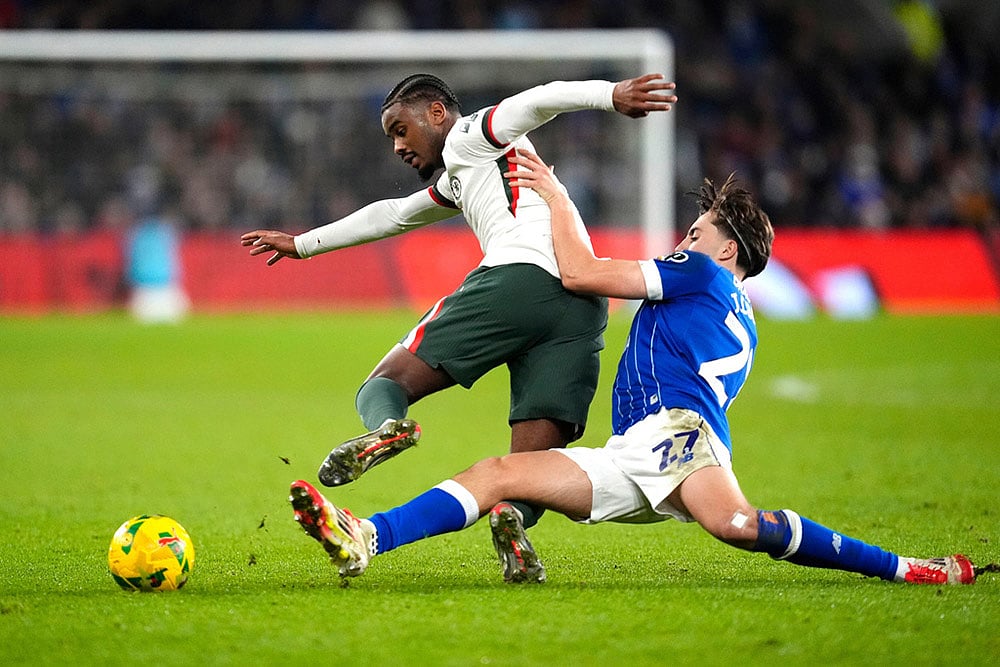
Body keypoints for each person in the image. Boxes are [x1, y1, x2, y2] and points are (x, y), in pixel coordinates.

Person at [285, 148, 978, 586]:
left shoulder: (699, 273)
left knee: (736, 526)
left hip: (677, 438)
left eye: (699, 229)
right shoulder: (739, 311)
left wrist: (555, 197)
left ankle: (905, 566)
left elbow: (584, 272)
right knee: (498, 473)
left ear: (726, 249)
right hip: (638, 447)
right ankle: (366, 536)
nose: (686, 236)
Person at [241, 73, 676, 582]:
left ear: (438, 115)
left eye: (401, 129)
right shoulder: (462, 174)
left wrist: (611, 95)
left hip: (519, 282)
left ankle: (387, 428)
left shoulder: (474, 134)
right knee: (532, 464)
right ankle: (512, 520)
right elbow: (395, 214)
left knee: (385, 384)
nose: (398, 146)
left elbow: (535, 99)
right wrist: (306, 243)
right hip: (582, 307)